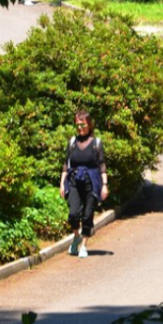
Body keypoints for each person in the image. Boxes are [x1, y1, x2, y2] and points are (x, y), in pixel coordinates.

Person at [59, 110, 108, 259]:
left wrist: (105, 185)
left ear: (89, 125)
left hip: (91, 181)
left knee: (87, 215)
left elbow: (102, 165)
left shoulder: (96, 143)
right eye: (78, 125)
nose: (80, 128)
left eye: (83, 124)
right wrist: (62, 183)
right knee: (73, 213)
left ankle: (84, 245)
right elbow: (66, 164)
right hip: (74, 180)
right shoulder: (72, 142)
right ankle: (76, 236)